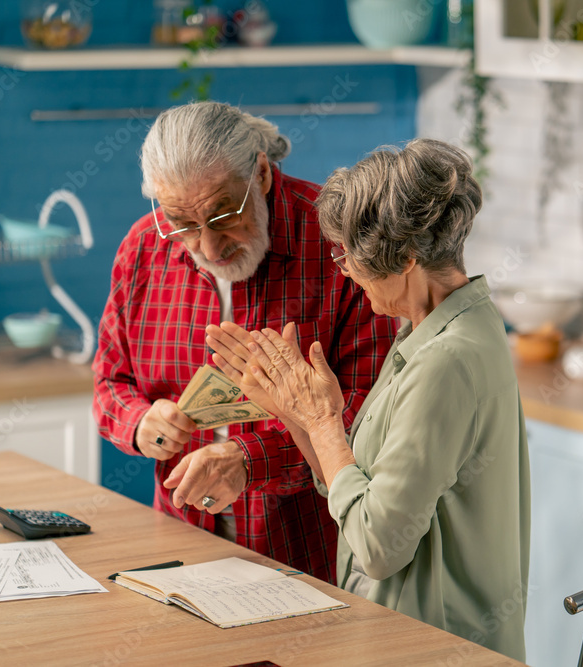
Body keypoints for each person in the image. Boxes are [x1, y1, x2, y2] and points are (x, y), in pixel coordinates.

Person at [207, 139, 530, 660]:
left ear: (404, 259)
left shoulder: (445, 361)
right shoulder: (440, 328)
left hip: (429, 647)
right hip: (403, 636)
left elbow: (379, 546)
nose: (344, 271)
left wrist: (325, 423)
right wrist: (296, 414)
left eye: (348, 256)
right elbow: (358, 491)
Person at [92, 102, 396, 584]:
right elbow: (109, 383)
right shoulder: (142, 250)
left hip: (310, 559)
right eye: (183, 223)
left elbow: (373, 416)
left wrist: (250, 460)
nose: (209, 249)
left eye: (223, 214)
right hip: (181, 555)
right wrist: (138, 422)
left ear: (261, 172)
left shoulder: (338, 245)